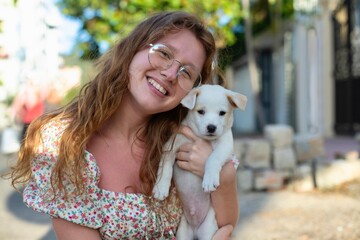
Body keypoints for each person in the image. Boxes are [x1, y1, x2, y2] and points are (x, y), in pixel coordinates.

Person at [9, 11, 239, 239]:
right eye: (164, 53)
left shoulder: (183, 137)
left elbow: (224, 226)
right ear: (133, 48)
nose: (170, 74)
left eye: (186, 72)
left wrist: (223, 172)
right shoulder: (64, 141)